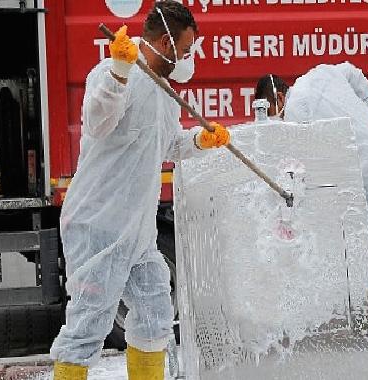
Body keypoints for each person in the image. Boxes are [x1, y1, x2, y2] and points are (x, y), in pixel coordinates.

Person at [50, 2, 230, 379]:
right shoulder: (115, 73)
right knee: (88, 325)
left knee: (155, 316)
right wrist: (118, 72)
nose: (187, 58)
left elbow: (165, 145)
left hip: (138, 232)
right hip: (99, 224)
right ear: (165, 42)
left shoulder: (163, 92)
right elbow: (98, 122)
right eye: (185, 50)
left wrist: (200, 140)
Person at [254, 63, 368, 337]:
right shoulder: (321, 73)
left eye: (273, 113)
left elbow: (304, 168)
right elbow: (358, 75)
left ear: (279, 98)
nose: (279, 119)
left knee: (367, 251)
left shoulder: (295, 113)